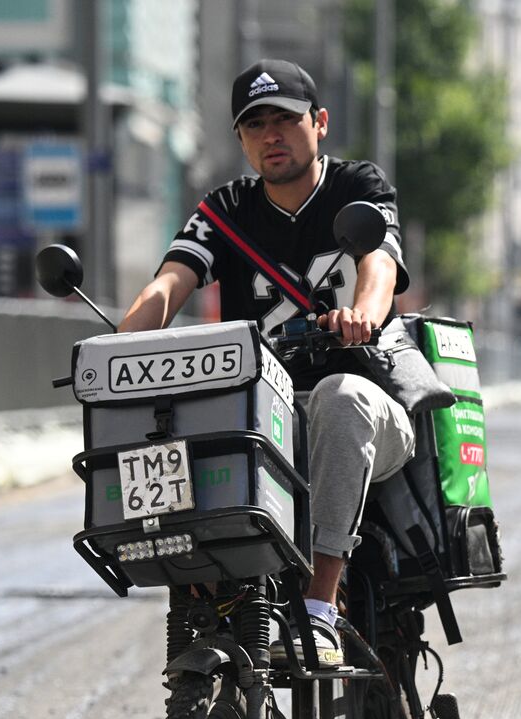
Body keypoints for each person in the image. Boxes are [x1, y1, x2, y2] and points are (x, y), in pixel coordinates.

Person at [116, 59, 415, 668]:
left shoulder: (358, 186)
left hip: (365, 408)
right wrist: (119, 346)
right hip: (261, 415)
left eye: (285, 119)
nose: (271, 135)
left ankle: (320, 610)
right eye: (255, 125)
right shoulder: (224, 210)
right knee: (168, 424)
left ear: (320, 123)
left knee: (339, 395)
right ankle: (203, 592)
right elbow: (170, 283)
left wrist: (365, 314)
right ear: (241, 139)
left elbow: (379, 266)